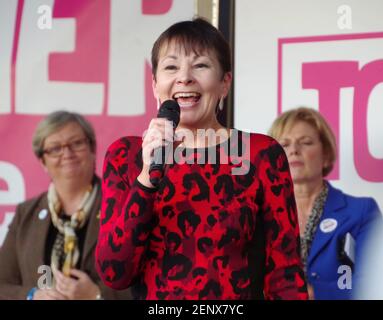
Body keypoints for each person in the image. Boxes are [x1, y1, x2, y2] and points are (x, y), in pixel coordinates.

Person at [95, 18, 307, 300]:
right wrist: (146, 177)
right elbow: (113, 272)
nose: (184, 77)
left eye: (200, 65)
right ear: (155, 84)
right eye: (171, 67)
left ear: (224, 83)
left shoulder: (260, 153)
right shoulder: (126, 156)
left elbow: (286, 276)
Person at [0, 111, 132, 300]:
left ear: (92, 148)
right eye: (55, 148)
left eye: (76, 143)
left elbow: (146, 280)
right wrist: (32, 295)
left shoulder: (123, 206)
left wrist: (96, 295)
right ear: (42, 161)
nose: (67, 154)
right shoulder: (26, 213)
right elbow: (2, 284)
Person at [268, 107, 383, 300]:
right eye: (284, 144)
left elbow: (375, 284)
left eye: (305, 142)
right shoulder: (256, 217)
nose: (294, 150)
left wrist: (315, 294)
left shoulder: (361, 212)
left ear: (326, 155)